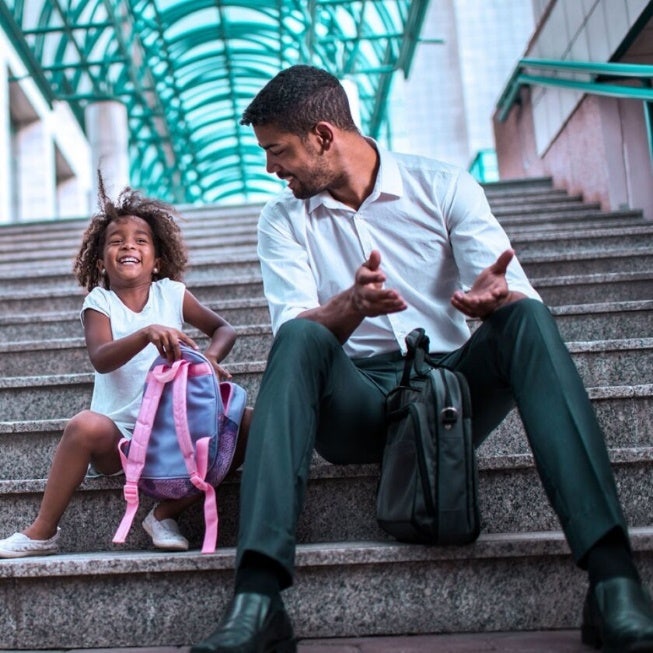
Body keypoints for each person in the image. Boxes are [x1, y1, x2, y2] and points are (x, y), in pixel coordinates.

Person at [190, 65, 653, 653]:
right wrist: (351, 306)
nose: (269, 168)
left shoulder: (444, 186)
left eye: (276, 151)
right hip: (356, 402)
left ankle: (614, 582)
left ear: (323, 136)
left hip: (449, 398)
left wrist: (497, 300)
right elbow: (294, 329)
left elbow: (505, 285)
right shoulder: (282, 219)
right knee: (301, 338)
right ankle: (258, 599)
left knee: (528, 319)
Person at [0, 178, 250, 558]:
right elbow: (101, 357)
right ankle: (42, 531)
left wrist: (211, 359)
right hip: (121, 438)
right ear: (101, 260)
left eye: (140, 240)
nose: (129, 245)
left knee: (246, 423)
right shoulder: (100, 302)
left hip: (177, 436)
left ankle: (164, 514)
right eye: (116, 241)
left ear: (158, 260)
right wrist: (146, 334)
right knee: (82, 425)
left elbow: (224, 329)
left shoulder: (172, 293)